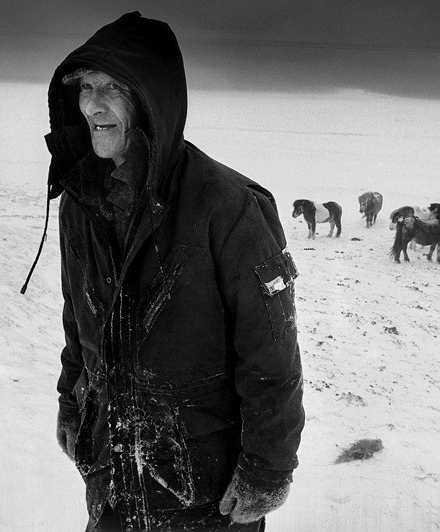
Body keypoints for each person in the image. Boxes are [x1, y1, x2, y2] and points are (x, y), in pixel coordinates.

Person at [26, 11, 305, 531]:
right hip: (111, 476)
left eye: (113, 87)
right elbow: (77, 319)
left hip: (208, 493)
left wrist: (267, 469)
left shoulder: (229, 208)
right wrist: (70, 400)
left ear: (151, 98)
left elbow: (272, 356)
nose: (93, 105)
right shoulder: (81, 200)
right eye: (85, 87)